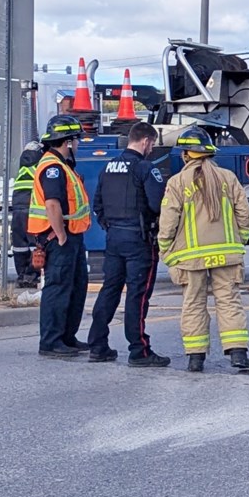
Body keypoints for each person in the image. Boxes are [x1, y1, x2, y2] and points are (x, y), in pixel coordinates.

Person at [157, 127, 249, 373]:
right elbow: (245, 215)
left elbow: (168, 221)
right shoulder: (228, 178)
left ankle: (196, 358)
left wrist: (165, 250)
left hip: (190, 258)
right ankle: (238, 355)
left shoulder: (177, 182)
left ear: (185, 155)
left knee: (193, 304)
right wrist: (238, 242)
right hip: (227, 254)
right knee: (229, 301)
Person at [87, 122, 169, 366]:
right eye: (152, 144)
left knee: (109, 290)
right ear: (145, 141)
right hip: (139, 241)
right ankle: (139, 350)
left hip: (114, 239)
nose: (151, 148)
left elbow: (98, 205)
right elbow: (157, 205)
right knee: (138, 294)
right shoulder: (145, 168)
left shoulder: (108, 167)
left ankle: (98, 345)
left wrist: (111, 226)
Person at [27, 116, 91, 358]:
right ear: (67, 141)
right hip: (59, 238)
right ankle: (51, 341)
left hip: (70, 237)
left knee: (75, 287)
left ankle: (66, 337)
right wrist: (61, 236)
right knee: (59, 288)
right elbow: (52, 204)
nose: (78, 144)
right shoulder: (53, 167)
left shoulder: (62, 165)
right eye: (76, 140)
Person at [11, 141, 43, 289]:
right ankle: (31, 276)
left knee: (19, 246)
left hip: (17, 211)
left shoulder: (22, 168)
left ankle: (22, 276)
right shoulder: (40, 167)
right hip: (32, 211)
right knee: (34, 245)